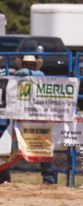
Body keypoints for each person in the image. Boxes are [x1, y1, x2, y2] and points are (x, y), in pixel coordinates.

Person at [15, 55, 57, 185]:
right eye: (26, 64)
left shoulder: (22, 75)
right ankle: (49, 179)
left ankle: (49, 179)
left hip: (29, 116)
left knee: (43, 146)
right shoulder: (38, 76)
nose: (28, 67)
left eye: (30, 64)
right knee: (43, 146)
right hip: (28, 116)